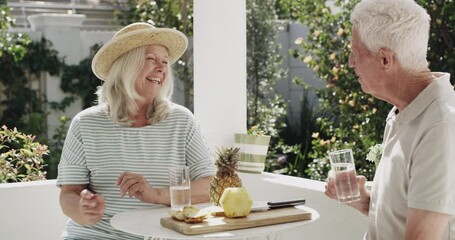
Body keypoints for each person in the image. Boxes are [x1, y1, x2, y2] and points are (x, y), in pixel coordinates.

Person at [56, 22, 215, 239]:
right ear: (125, 66)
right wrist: (83, 210)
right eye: (151, 59)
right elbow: (69, 194)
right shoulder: (86, 123)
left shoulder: (182, 121)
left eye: (165, 62)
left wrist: (156, 194)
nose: (161, 68)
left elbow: (211, 186)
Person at [325, 0, 455, 239]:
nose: (350, 63)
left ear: (385, 59)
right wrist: (364, 201)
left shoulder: (441, 125)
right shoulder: (402, 113)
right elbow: (402, 216)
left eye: (355, 52)